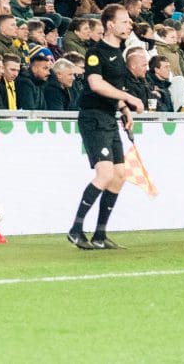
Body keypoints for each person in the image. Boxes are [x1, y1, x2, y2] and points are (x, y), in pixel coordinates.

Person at [70, 36, 149, 249]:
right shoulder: (96, 52)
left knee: (119, 175)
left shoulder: (118, 55)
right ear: (111, 25)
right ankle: (76, 229)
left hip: (109, 117)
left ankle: (100, 235)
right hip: (93, 117)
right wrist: (130, 99)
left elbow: (112, 89)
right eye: (124, 22)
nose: (128, 25)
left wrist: (123, 108)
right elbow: (96, 85)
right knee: (105, 174)